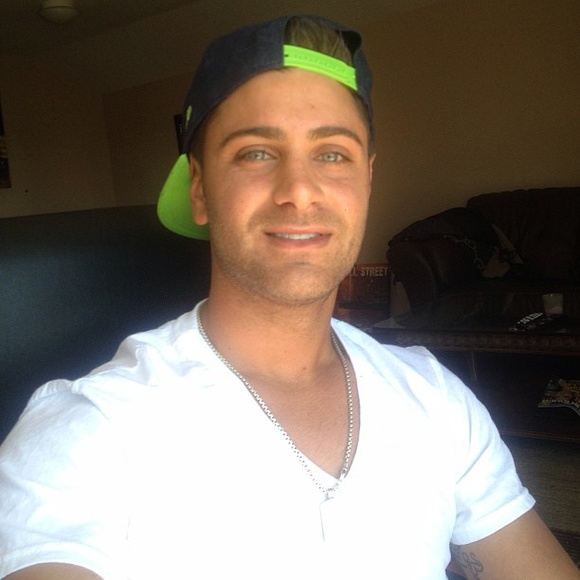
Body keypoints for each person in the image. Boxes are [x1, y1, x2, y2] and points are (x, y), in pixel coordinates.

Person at [0, 14, 577, 580]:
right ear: (199, 188)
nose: (300, 191)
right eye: (256, 152)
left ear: (367, 180)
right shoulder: (89, 429)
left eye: (332, 154)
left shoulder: (436, 397)